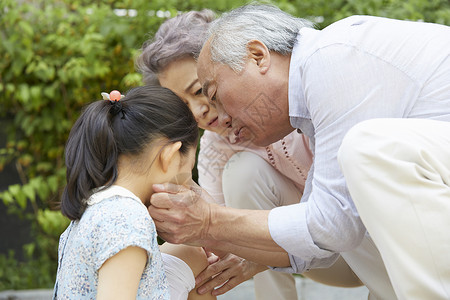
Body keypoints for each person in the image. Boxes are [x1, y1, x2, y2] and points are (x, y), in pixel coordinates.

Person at [148, 4, 450, 300]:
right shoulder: (314, 87)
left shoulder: (332, 62)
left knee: (361, 155)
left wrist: (211, 221)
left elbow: (332, 224)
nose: (221, 115)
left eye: (211, 93)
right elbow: (325, 235)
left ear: (258, 56)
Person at [136, 9, 363, 299]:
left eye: (201, 90)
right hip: (321, 260)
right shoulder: (213, 152)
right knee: (242, 170)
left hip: (371, 241)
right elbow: (209, 240)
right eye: (183, 105)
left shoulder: (304, 101)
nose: (198, 111)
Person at [53, 86, 216, 300]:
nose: (185, 184)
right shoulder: (128, 219)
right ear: (169, 156)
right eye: (187, 170)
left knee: (191, 252)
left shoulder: (98, 205)